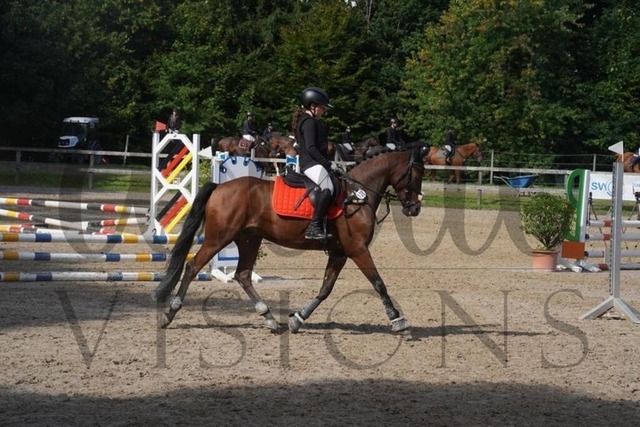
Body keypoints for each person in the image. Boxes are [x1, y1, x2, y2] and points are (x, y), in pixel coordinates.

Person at [292, 87, 334, 240]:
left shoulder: (306, 120)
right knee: (328, 188)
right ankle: (314, 226)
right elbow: (310, 148)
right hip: (311, 163)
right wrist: (326, 164)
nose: (324, 111)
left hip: (312, 162)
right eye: (323, 107)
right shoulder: (309, 122)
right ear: (313, 106)